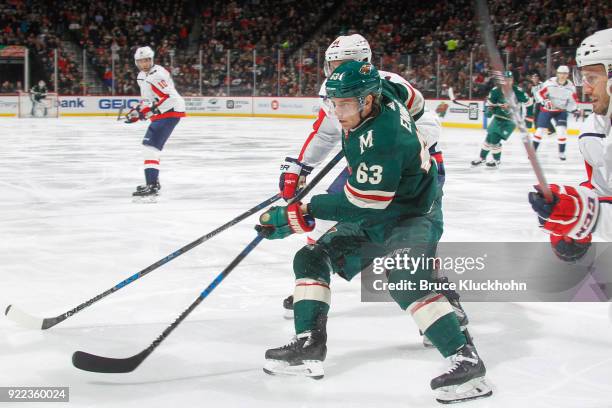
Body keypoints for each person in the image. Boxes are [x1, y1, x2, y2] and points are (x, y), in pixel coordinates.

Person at [257, 61, 491, 404]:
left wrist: (299, 214)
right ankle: (309, 344)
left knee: (404, 279)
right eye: (334, 103)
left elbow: (362, 206)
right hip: (387, 204)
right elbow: (417, 103)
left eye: (345, 104)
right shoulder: (388, 90)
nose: (338, 113)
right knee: (310, 256)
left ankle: (468, 361)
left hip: (412, 214)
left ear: (368, 100)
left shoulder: (382, 141)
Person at [278, 35, 454, 327]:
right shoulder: (332, 90)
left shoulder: (389, 84)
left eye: (344, 63)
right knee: (329, 215)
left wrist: (389, 147)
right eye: (333, 63)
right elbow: (325, 133)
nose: (336, 69)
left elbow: (428, 125)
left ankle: (438, 299)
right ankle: (313, 279)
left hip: (414, 171)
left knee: (412, 237)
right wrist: (300, 166)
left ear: (363, 63)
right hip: (369, 165)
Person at [529, 28, 612, 261]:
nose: (585, 88)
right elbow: (605, 191)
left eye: (592, 78)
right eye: (582, 78)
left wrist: (584, 215)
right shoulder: (594, 130)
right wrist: (573, 206)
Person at [127, 46, 186, 201]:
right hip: (163, 112)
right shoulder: (141, 76)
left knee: (150, 147)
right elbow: (148, 99)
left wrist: (149, 111)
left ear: (151, 60)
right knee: (151, 147)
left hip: (171, 111)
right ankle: (153, 183)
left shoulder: (157, 75)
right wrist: (138, 112)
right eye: (140, 61)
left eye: (146, 60)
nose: (144, 64)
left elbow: (170, 97)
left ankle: (152, 185)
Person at [471, 71, 530, 169]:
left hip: (510, 121)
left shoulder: (518, 91)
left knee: (495, 138)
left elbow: (529, 103)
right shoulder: (495, 91)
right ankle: (482, 158)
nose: (507, 82)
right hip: (498, 118)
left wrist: (529, 117)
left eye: (509, 80)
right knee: (489, 137)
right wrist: (488, 111)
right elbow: (489, 105)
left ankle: (496, 160)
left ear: (512, 80)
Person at [532, 65, 579, 160]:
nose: (562, 75)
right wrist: (545, 101)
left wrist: (574, 109)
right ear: (557, 74)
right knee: (539, 131)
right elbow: (539, 93)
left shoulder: (571, 88)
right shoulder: (549, 83)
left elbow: (574, 101)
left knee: (561, 131)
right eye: (561, 73)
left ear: (568, 75)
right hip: (546, 110)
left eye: (565, 73)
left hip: (560, 111)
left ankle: (561, 153)